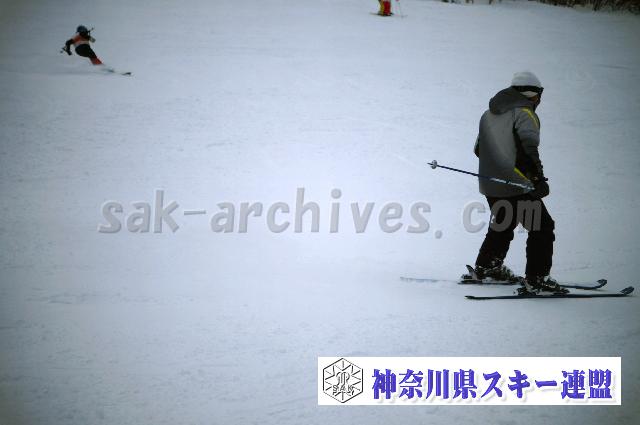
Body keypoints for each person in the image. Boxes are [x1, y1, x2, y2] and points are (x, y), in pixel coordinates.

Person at [473, 71, 566, 294]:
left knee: (504, 222)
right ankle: (537, 279)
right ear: (532, 94)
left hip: (490, 183)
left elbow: (478, 149)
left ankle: (487, 268)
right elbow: (528, 151)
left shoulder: (488, 114)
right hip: (516, 184)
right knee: (541, 227)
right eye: (539, 95)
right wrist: (537, 179)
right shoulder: (525, 113)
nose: (539, 99)